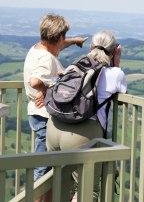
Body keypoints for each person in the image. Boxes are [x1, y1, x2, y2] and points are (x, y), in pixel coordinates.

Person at [46, 30, 127, 202]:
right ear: (115, 50)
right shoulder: (115, 73)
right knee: (87, 191)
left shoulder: (74, 66)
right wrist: (116, 62)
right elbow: (121, 95)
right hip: (82, 134)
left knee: (61, 184)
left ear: (90, 47)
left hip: (54, 127)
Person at [23, 13, 87, 202]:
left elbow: (56, 44)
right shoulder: (46, 58)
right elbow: (35, 81)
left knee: (47, 165)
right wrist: (45, 88)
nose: (64, 41)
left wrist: (74, 41)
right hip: (43, 115)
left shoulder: (36, 48)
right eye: (64, 37)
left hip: (35, 114)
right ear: (58, 37)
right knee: (44, 167)